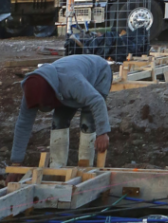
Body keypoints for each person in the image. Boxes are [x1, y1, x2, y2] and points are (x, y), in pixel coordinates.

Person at [5, 55, 112, 183]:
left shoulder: (71, 82)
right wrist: (16, 164)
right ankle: (57, 169)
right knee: (59, 120)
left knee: (87, 121)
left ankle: (86, 170)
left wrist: (102, 132)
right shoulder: (32, 89)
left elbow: (96, 101)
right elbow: (23, 124)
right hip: (68, 86)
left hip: (98, 74)